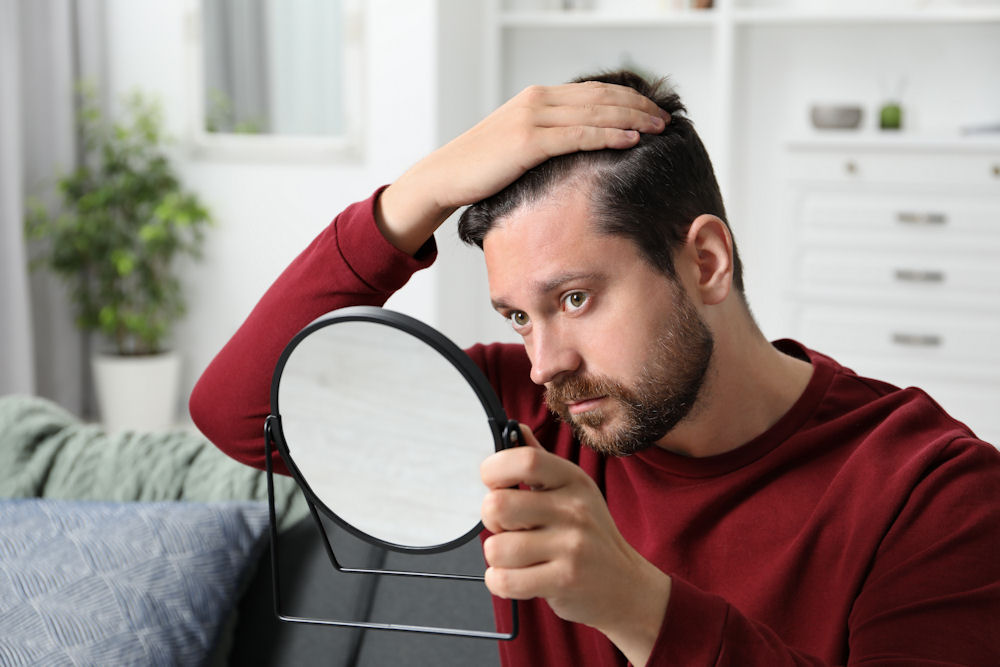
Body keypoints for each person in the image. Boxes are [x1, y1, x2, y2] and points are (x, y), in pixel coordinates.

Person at [190, 70, 1000, 666]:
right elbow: (236, 414)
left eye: (574, 298)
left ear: (707, 261)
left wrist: (640, 605)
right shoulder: (525, 415)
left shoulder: (932, 491)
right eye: (517, 315)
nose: (547, 362)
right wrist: (421, 191)